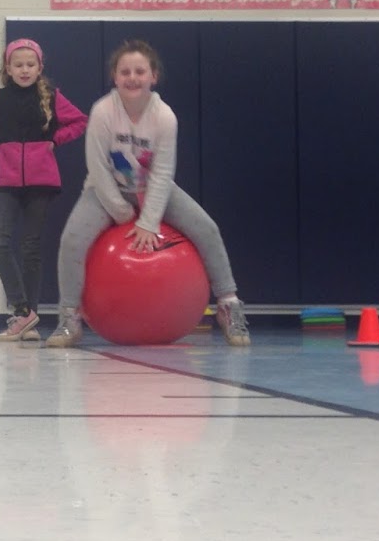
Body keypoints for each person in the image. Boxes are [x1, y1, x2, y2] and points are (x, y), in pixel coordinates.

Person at [46, 39, 250, 348]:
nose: (132, 78)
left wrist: (149, 221)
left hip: (153, 190)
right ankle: (69, 318)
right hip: (105, 191)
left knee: (207, 228)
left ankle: (228, 304)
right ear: (115, 77)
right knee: (72, 239)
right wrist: (121, 212)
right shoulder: (103, 111)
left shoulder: (164, 116)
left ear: (153, 76)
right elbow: (97, 167)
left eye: (140, 71)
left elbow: (163, 172)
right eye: (125, 71)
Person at [0, 39, 88, 340]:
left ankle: (27, 319)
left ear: (39, 68)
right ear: (8, 69)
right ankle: (23, 310)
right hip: (6, 182)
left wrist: (54, 141)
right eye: (18, 65)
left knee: (30, 248)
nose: (24, 70)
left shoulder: (51, 96)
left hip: (41, 181)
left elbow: (79, 121)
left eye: (30, 65)